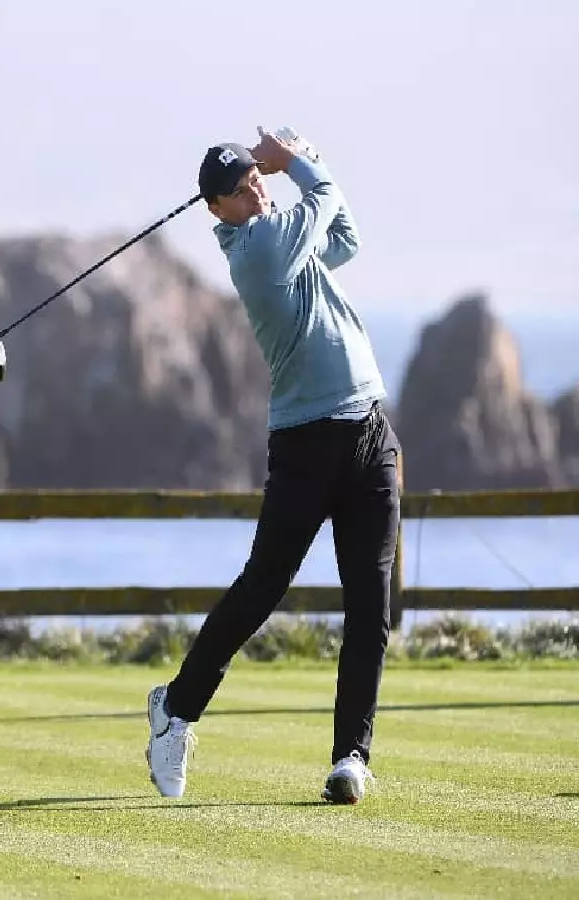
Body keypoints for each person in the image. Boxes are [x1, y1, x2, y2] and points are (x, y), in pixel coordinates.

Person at [145, 127, 402, 805]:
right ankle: (175, 709)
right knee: (262, 587)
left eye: (252, 178)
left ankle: (351, 756)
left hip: (370, 433)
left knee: (370, 606)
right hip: (305, 445)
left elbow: (343, 236)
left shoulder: (283, 239)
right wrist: (294, 161)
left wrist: (295, 168)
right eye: (238, 187)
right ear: (216, 210)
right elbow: (325, 198)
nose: (251, 189)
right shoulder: (256, 249)